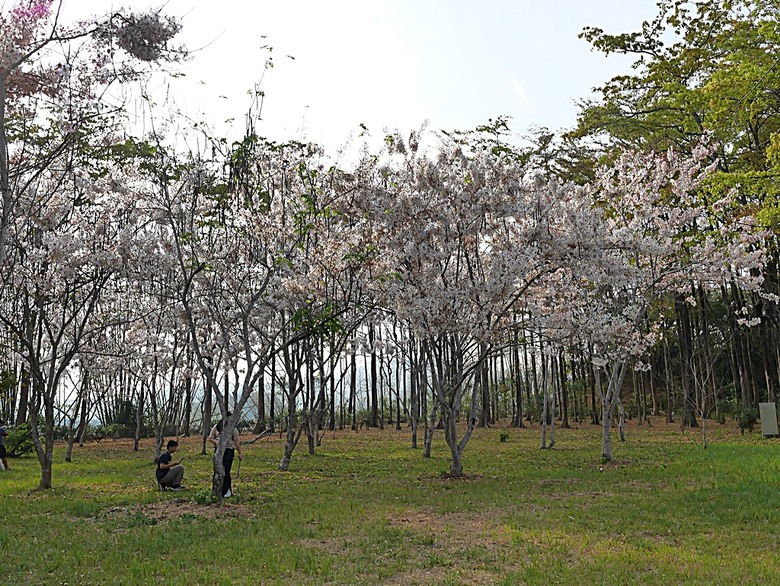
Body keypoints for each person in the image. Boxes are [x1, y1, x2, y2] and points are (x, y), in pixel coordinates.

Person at [208, 411, 243, 498]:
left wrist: (240, 453)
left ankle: (228, 490)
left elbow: (236, 441)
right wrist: (217, 443)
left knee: (226, 470)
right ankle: (218, 490)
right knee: (219, 469)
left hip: (229, 450)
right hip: (219, 450)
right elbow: (210, 438)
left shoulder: (233, 429)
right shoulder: (217, 427)